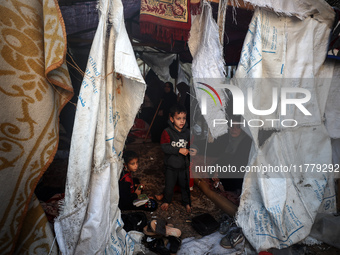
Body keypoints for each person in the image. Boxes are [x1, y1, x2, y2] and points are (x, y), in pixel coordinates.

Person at [160, 104, 197, 213]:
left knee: (185, 186)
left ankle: (187, 203)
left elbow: (191, 145)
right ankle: (167, 200)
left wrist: (193, 150)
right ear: (171, 119)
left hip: (184, 165)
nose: (182, 121)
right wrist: (178, 150)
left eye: (184, 118)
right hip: (170, 166)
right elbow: (164, 147)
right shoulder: (167, 132)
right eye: (178, 118)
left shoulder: (188, 132)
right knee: (169, 185)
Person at [212, 117, 252, 192]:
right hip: (230, 168)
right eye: (232, 126)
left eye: (238, 127)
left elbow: (238, 165)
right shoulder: (229, 140)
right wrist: (217, 171)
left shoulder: (246, 143)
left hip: (240, 173)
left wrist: (219, 174)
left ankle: (222, 184)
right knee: (213, 167)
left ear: (243, 129)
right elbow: (223, 157)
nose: (234, 129)